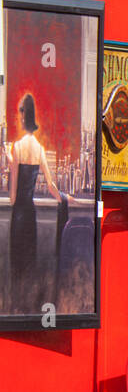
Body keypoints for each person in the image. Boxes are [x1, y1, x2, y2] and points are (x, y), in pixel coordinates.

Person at [7, 94, 65, 312]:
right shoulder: (40, 148)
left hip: (19, 214)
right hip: (30, 215)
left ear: (24, 116)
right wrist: (64, 199)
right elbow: (51, 186)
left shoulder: (17, 147)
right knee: (29, 264)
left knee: (17, 265)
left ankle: (16, 310)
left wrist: (11, 162)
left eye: (21, 112)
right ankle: (29, 310)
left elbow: (12, 198)